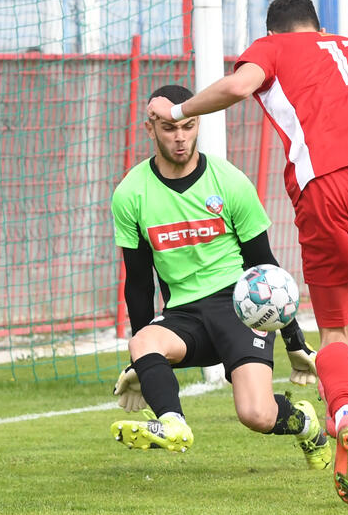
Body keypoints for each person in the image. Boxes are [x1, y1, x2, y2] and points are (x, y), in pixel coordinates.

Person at [147, 0, 348, 505]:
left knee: (334, 324)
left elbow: (237, 85)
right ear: (318, 25)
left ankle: (341, 412)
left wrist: (177, 108)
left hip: (328, 183)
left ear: (272, 33)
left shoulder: (272, 50)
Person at [109, 84, 330, 471]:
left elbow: (265, 266)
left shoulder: (229, 181)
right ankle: (172, 424)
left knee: (256, 415)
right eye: (168, 129)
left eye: (188, 127)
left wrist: (295, 339)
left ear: (198, 125)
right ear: (150, 129)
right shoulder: (131, 193)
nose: (180, 138)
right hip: (184, 317)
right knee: (143, 339)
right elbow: (139, 283)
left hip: (240, 309)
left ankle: (304, 422)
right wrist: (138, 362)